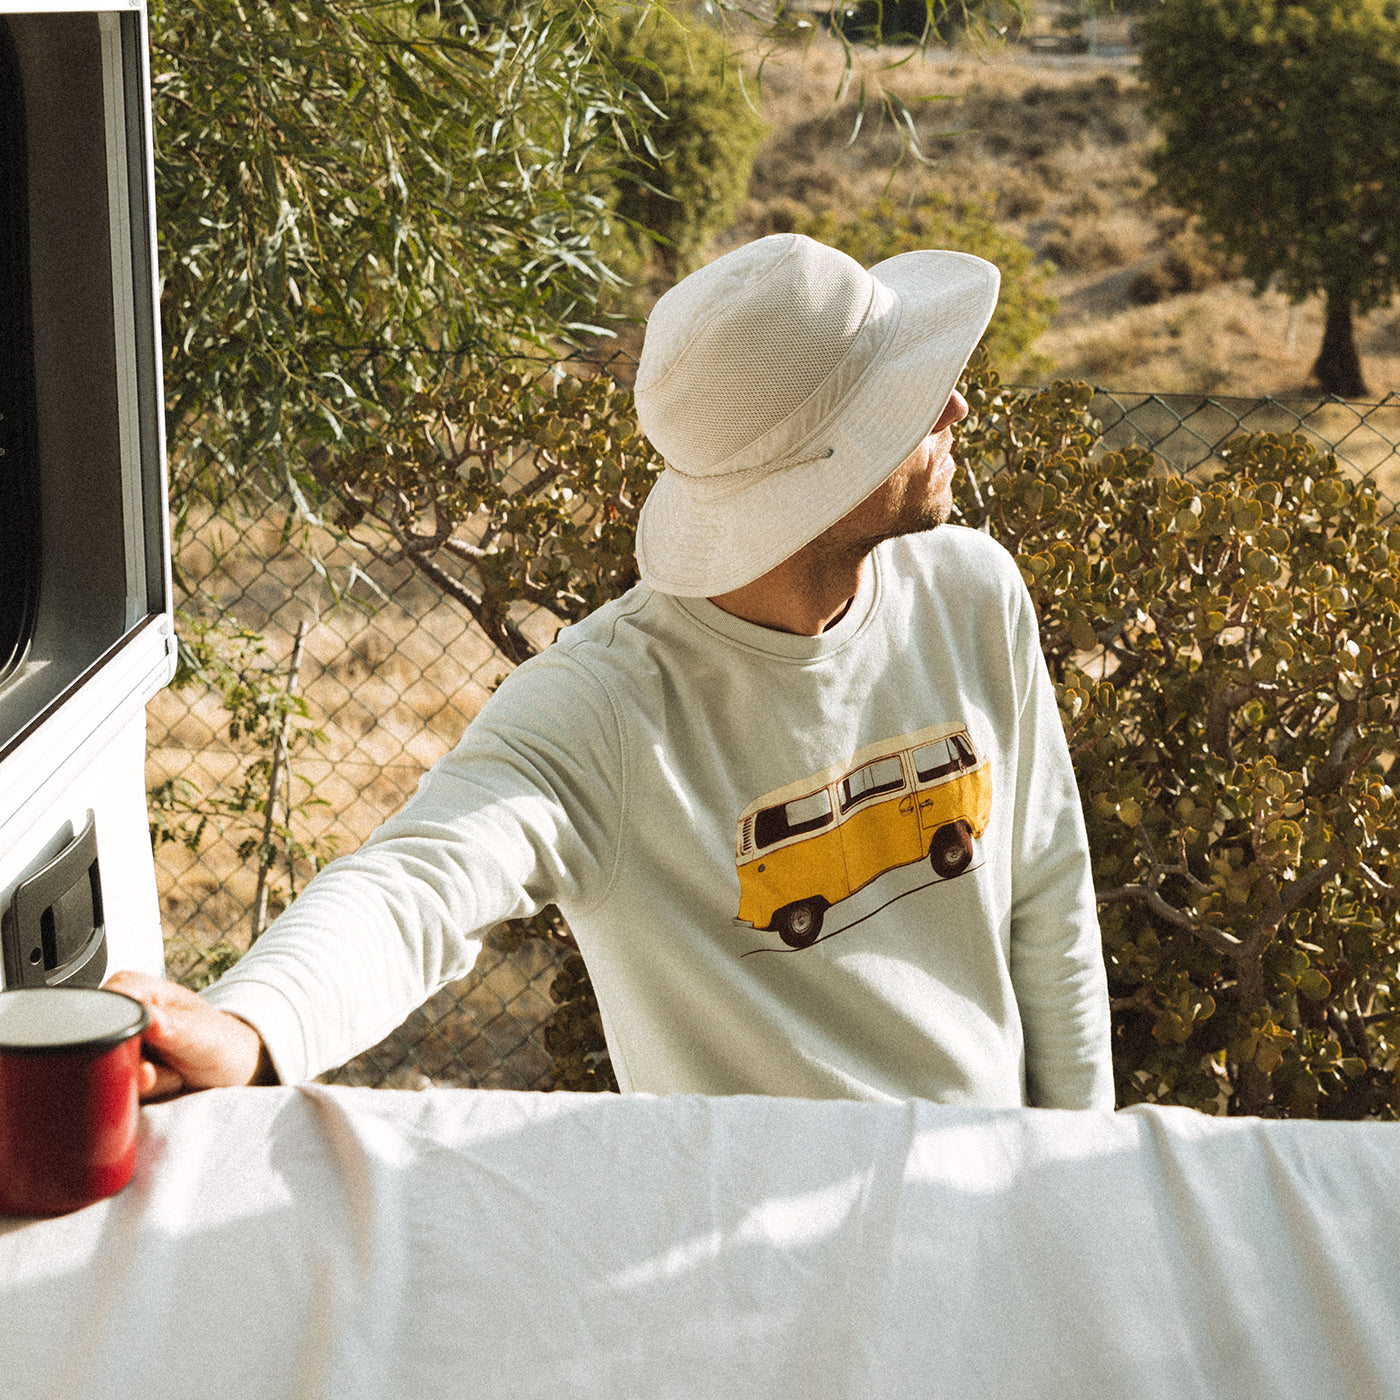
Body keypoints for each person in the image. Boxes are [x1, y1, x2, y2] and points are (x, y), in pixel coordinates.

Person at [109, 234, 1115, 1110]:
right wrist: (250, 1025)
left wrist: (1078, 1171)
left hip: (984, 1200)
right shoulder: (603, 708)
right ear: (827, 463)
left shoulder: (970, 590)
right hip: (753, 1271)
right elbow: (418, 878)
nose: (954, 401)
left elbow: (1046, 899)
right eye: (905, 397)